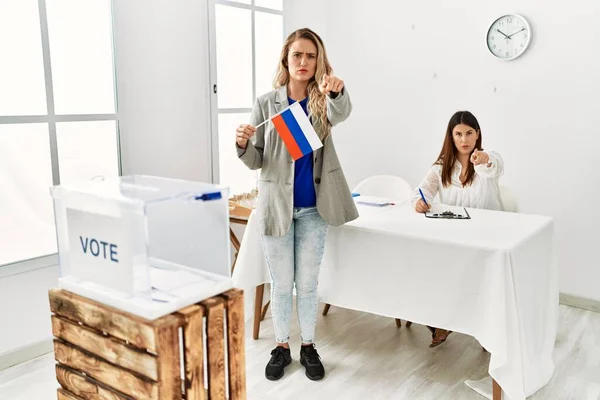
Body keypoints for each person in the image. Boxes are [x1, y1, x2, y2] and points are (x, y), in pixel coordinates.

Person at [235, 28, 358, 381]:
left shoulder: (324, 100)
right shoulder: (266, 103)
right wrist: (243, 145)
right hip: (277, 207)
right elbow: (258, 159)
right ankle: (281, 346)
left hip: (315, 208)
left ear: (318, 61)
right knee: (281, 283)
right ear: (286, 61)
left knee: (307, 284)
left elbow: (343, 111)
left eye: (310, 55)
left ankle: (307, 345)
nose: (303, 62)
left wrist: (336, 90)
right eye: (297, 56)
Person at [412, 110, 504, 347]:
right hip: (456, 235)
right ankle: (442, 321)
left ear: (477, 135)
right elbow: (421, 191)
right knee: (430, 265)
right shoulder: (442, 167)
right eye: (459, 134)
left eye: (469, 133)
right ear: (451, 137)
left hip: (488, 237)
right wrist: (419, 202)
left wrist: (483, 158)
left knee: (467, 274)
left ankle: (482, 326)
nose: (464, 140)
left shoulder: (487, 161)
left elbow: (495, 165)